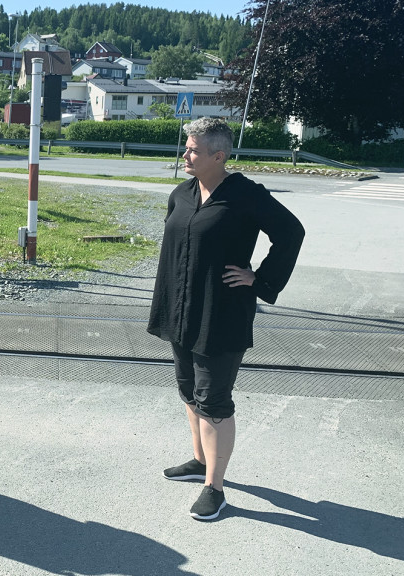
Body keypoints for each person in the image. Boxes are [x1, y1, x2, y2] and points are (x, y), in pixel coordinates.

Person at [147, 117, 304, 521]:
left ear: (219, 156)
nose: (185, 154)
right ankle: (200, 461)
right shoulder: (181, 193)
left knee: (214, 400)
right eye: (186, 146)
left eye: (193, 149)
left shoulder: (245, 196)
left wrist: (261, 279)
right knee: (188, 391)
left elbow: (291, 232)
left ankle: (214, 489)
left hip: (221, 313)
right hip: (179, 309)